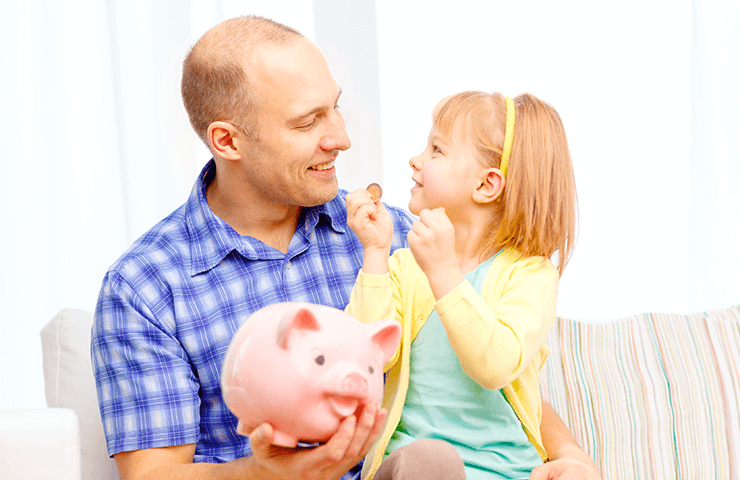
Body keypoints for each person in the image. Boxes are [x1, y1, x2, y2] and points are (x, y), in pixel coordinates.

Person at [90, 15, 601, 480]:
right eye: (308, 121)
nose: (341, 138)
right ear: (228, 142)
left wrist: (572, 457)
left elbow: (487, 374)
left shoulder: (403, 237)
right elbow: (152, 475)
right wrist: (265, 473)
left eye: (335, 107)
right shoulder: (145, 287)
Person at [344, 91, 579, 479]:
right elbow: (366, 357)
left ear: (487, 185)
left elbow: (496, 366)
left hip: (508, 472)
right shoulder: (405, 265)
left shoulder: (530, 275)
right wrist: (375, 250)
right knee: (430, 460)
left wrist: (443, 273)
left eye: (436, 149)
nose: (416, 160)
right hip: (415, 469)